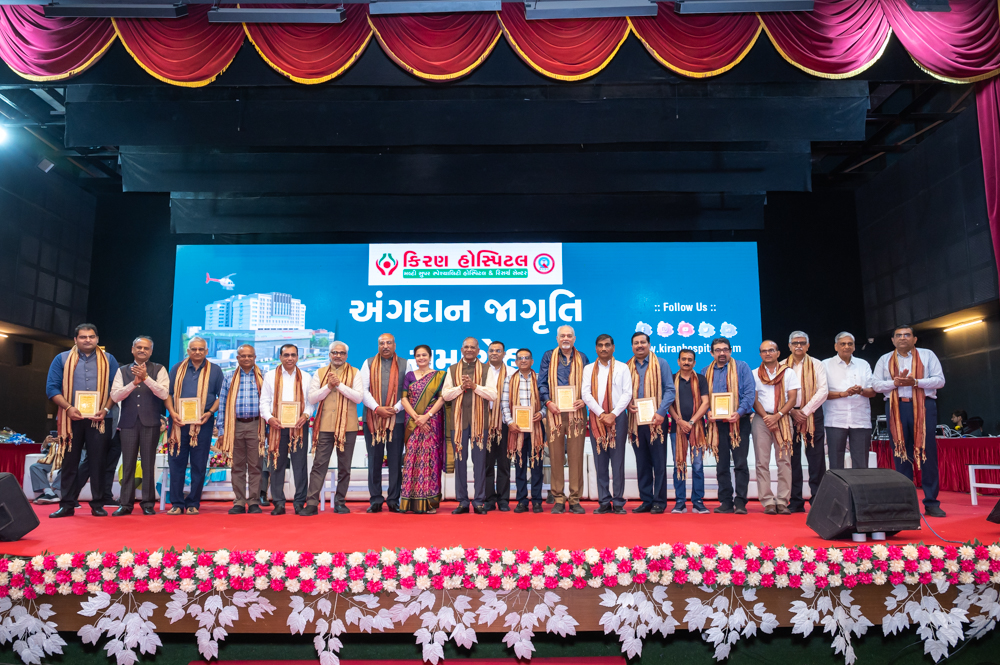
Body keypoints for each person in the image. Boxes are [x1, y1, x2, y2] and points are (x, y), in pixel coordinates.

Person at [45, 323, 120, 518]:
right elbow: (52, 388)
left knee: (98, 462)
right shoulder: (61, 359)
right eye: (83, 337)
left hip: (100, 419)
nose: (88, 340)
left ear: (97, 339)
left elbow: (116, 389)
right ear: (75, 339)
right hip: (70, 419)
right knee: (69, 463)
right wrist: (68, 408)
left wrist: (105, 409)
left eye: (91, 336)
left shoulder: (109, 359)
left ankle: (98, 504)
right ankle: (67, 505)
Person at [872, 325, 947, 518]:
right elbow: (876, 385)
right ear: (893, 340)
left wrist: (916, 382)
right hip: (896, 407)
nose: (902, 338)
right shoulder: (884, 359)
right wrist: (895, 383)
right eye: (898, 335)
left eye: (907, 335)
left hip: (923, 406)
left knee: (927, 453)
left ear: (914, 339)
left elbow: (940, 380)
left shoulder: (927, 355)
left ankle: (931, 503)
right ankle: (907, 504)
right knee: (901, 454)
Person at [302, 341, 364, 516]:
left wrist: (339, 385)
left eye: (342, 353)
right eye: (335, 352)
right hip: (325, 426)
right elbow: (312, 398)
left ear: (346, 355)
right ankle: (312, 503)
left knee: (345, 467)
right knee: (319, 465)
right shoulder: (320, 373)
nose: (338, 356)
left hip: (348, 426)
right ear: (329, 354)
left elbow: (358, 398)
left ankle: (340, 502)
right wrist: (328, 386)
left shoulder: (355, 372)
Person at [110, 335, 169, 515]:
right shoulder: (122, 371)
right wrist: (133, 383)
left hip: (150, 423)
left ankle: (148, 504)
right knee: (128, 464)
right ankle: (125, 504)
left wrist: (146, 378)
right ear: (132, 349)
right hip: (128, 423)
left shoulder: (159, 369)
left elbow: (164, 394)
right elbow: (115, 396)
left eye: (146, 348)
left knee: (148, 464)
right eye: (139, 347)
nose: (142, 350)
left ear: (151, 351)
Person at [165, 337, 224, 516]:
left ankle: (193, 503)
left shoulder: (215, 370)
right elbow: (168, 394)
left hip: (203, 423)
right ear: (188, 351)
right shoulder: (177, 368)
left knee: (199, 465)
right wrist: (172, 413)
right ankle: (176, 503)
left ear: (207, 351)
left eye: (201, 349)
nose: (197, 352)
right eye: (194, 349)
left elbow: (221, 396)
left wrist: (210, 413)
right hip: (178, 423)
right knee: (176, 463)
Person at [442, 337, 499, 515]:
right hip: (458, 424)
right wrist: (461, 387)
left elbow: (493, 394)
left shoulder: (486, 369)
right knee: (459, 462)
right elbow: (445, 395)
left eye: (472, 347)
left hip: (479, 424)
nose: (469, 349)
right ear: (461, 349)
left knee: (480, 463)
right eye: (466, 347)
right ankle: (462, 502)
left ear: (478, 350)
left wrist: (474, 386)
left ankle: (479, 501)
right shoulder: (452, 369)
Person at [539, 325, 590, 514]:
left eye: (569, 335)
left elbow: (589, 384)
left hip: (576, 413)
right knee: (556, 457)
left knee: (576, 457)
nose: (566, 338)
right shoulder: (548, 356)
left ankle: (575, 499)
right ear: (557, 338)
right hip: (555, 412)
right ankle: (559, 499)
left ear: (574, 339)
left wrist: (584, 399)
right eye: (562, 336)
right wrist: (548, 402)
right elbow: (542, 382)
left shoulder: (582, 357)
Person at [701, 337, 755, 515]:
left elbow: (749, 393)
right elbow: (703, 399)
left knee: (740, 463)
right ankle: (725, 502)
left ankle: (740, 502)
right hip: (717, 425)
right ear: (712, 353)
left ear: (730, 351)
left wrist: (738, 412)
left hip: (739, 422)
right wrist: (708, 411)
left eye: (725, 349)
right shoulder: (705, 371)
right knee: (721, 465)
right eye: (718, 350)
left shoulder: (742, 367)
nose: (722, 353)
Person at [582, 334, 633, 514]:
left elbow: (627, 393)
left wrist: (613, 414)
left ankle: (618, 501)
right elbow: (586, 394)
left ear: (613, 347)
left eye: (607, 345)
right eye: (600, 345)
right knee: (600, 462)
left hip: (618, 418)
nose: (604, 348)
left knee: (618, 462)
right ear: (596, 348)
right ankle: (604, 501)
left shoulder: (623, 367)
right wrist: (602, 414)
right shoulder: (588, 369)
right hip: (597, 418)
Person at [625, 332, 675, 514]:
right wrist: (627, 404)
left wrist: (661, 412)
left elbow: (670, 390)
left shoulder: (661, 363)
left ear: (649, 344)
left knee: (659, 463)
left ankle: (659, 502)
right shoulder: (626, 367)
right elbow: (623, 392)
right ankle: (646, 500)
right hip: (636, 422)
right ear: (632, 346)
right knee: (642, 463)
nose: (639, 345)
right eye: (636, 343)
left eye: (643, 342)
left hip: (657, 421)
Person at [260, 344, 312, 516]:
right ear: (280, 357)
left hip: (299, 427)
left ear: (298, 357)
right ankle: (279, 503)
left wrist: (305, 415)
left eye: (293, 355)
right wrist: (269, 418)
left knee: (300, 466)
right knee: (276, 465)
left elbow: (311, 402)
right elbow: (264, 401)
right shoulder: (270, 376)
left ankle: (299, 503)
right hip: (277, 427)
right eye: (286, 355)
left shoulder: (306, 377)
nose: (290, 358)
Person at [359, 333, 407, 513]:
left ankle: (394, 499)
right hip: (373, 419)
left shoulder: (405, 364)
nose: (385, 346)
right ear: (378, 345)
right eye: (382, 343)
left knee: (395, 461)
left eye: (389, 343)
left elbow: (408, 391)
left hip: (397, 419)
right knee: (374, 460)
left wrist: (395, 409)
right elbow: (363, 390)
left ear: (395, 345)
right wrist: (377, 408)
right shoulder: (368, 363)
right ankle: (376, 500)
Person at [752, 340, 800, 515]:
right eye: (764, 351)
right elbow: (754, 399)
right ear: (760, 354)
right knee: (762, 462)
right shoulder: (754, 373)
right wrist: (767, 417)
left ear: (778, 353)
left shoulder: (788, 372)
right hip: (761, 419)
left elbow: (792, 399)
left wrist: (777, 415)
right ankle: (767, 501)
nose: (768, 353)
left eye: (771, 350)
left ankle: (782, 501)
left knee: (784, 461)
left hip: (783, 419)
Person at [217, 344, 265, 515]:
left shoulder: (263, 376)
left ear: (255, 357)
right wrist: (222, 430)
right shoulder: (229, 377)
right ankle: (239, 501)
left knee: (255, 466)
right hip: (234, 426)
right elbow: (222, 404)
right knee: (237, 466)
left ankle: (253, 502)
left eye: (250, 356)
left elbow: (269, 403)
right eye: (243, 356)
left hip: (256, 425)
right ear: (237, 358)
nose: (246, 358)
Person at [784, 331, 829, 513]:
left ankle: (818, 499)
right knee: (792, 458)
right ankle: (795, 500)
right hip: (789, 415)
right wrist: (792, 411)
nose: (798, 346)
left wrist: (805, 411)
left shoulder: (817, 364)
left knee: (816, 458)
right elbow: (778, 393)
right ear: (789, 346)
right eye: (795, 343)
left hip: (812, 414)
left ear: (808, 346)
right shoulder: (782, 366)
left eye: (802, 343)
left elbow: (823, 390)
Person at [399, 344, 447, 514]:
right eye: (418, 355)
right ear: (415, 357)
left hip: (432, 422)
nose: (421, 358)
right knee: (412, 459)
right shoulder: (410, 376)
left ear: (430, 356)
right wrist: (416, 418)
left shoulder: (439, 375)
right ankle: (410, 502)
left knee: (430, 460)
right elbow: (404, 399)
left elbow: (442, 399)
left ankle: (429, 503)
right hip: (413, 423)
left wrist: (427, 416)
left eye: (424, 355)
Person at [502, 348, 546, 513]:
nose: (523, 360)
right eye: (520, 358)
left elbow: (547, 401)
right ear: (515, 362)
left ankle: (537, 501)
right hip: (517, 429)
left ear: (532, 361)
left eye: (527, 358)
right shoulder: (509, 380)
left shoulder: (540, 379)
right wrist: (510, 422)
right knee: (520, 465)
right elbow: (504, 404)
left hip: (536, 428)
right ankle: (521, 500)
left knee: (537, 465)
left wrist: (542, 413)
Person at [823, 332, 875, 470]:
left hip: (860, 420)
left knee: (861, 464)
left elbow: (873, 391)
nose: (846, 346)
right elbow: (821, 393)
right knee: (835, 464)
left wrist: (860, 391)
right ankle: (838, 486)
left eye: (850, 344)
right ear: (836, 346)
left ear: (854, 347)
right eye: (843, 344)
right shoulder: (825, 365)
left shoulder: (863, 364)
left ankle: (859, 486)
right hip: (835, 419)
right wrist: (843, 394)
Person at [667, 349, 710, 514]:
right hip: (676, 428)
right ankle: (680, 502)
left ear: (694, 362)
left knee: (698, 465)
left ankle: (698, 501)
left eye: (690, 359)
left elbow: (706, 403)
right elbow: (668, 403)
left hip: (696, 428)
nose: (686, 362)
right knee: (679, 464)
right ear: (678, 361)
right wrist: (679, 421)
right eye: (683, 359)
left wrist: (691, 422)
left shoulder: (701, 379)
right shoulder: (671, 379)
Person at [484, 341, 512, 512]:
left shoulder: (512, 372)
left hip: (505, 422)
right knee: (486, 464)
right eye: (491, 350)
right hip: (484, 422)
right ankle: (489, 499)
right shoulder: (480, 372)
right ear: (487, 353)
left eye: (498, 350)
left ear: (504, 354)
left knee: (504, 463)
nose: (494, 353)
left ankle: (503, 499)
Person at [29, 436, 61, 504]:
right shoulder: (54, 439)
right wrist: (45, 444)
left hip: (66, 460)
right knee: (35, 467)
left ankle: (50, 492)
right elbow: (43, 452)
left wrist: (64, 442)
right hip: (51, 461)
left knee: (68, 469)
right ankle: (49, 493)